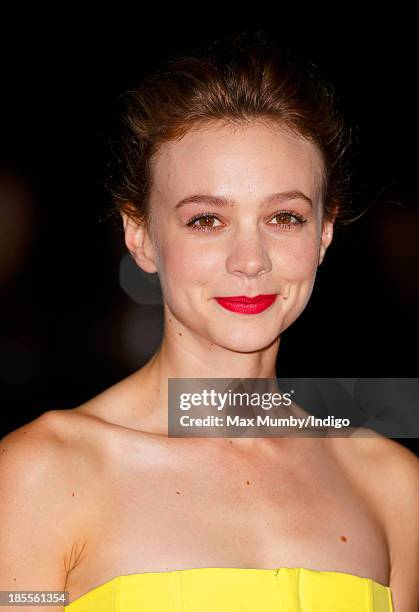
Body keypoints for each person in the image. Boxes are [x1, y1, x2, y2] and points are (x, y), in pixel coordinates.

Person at [0, 30, 418, 612]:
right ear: (141, 235)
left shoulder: (392, 485)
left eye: (284, 216)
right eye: (206, 220)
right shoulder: (42, 474)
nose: (251, 260)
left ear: (324, 233)